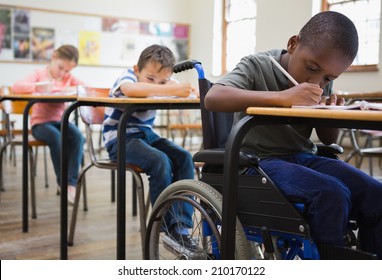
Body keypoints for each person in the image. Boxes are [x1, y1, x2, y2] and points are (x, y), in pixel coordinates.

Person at [205, 11, 382, 259]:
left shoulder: (321, 81)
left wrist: (332, 110)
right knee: (331, 194)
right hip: (260, 161)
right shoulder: (258, 65)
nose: (316, 81)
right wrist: (283, 97)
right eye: (311, 68)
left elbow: (328, 138)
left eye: (328, 78)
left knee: (375, 192)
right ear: (293, 43)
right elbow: (213, 98)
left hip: (303, 156)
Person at [102, 44, 197, 249]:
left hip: (146, 136)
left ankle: (180, 227)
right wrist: (169, 88)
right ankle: (164, 226)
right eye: (150, 79)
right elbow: (131, 90)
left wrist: (186, 90)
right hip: (120, 139)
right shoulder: (126, 77)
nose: (157, 84)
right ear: (137, 70)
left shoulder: (166, 83)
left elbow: (190, 94)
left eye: (163, 80)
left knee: (184, 158)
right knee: (159, 160)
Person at [12, 44, 85, 205]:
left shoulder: (68, 78)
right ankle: (63, 183)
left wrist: (72, 90)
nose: (63, 73)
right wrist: (38, 88)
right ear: (53, 57)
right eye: (60, 68)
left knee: (78, 137)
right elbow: (17, 86)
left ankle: (71, 184)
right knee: (56, 138)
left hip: (60, 121)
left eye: (68, 71)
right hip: (41, 124)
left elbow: (85, 88)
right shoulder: (39, 74)